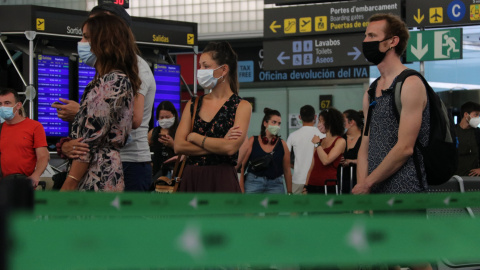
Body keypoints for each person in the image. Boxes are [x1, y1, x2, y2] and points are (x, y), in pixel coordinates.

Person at [352, 14, 432, 270]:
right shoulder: (371, 90)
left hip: (406, 190)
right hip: (375, 190)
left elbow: (405, 147)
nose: (366, 41)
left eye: (372, 36)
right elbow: (364, 146)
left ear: (392, 42)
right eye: (366, 36)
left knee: (413, 256)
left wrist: (367, 184)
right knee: (383, 258)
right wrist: (363, 188)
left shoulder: (410, 83)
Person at [53, 3, 156, 191]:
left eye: (87, 36)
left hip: (126, 163)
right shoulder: (103, 76)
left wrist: (69, 183)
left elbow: (132, 119)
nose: (82, 42)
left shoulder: (122, 75)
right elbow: (88, 136)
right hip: (97, 165)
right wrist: (67, 146)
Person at [174, 41, 251, 192]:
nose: (200, 70)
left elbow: (230, 148)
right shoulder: (193, 104)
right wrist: (220, 144)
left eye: (206, 66)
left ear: (223, 70)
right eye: (200, 66)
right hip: (191, 178)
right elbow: (178, 146)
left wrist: (195, 138)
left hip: (222, 180)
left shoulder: (242, 106)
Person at [0, 88, 50, 187]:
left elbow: (43, 156)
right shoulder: (1, 128)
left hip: (24, 184)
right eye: (0, 104)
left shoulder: (34, 126)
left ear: (18, 105)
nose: (3, 107)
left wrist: (36, 175)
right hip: (4, 185)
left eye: (7, 103)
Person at [240, 108, 293, 194]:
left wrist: (290, 192)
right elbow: (242, 167)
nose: (277, 126)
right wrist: (241, 189)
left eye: (279, 123)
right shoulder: (253, 141)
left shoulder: (282, 144)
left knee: (277, 207)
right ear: (265, 123)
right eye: (274, 122)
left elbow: (287, 170)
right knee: (249, 207)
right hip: (253, 182)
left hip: (276, 184)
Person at [304, 108, 345, 194]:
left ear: (329, 122)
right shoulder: (320, 140)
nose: (318, 125)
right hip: (312, 184)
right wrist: (306, 186)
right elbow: (312, 166)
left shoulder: (340, 141)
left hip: (328, 185)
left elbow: (326, 160)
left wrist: (317, 144)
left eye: (320, 121)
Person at [286, 105, 324, 194]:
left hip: (298, 179)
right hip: (316, 179)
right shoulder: (322, 135)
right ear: (315, 117)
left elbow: (286, 159)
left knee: (296, 207)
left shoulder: (293, 136)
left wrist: (296, 166)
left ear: (299, 117)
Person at [148, 101, 179, 179]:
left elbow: (187, 151)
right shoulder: (154, 132)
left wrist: (172, 145)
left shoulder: (180, 130)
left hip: (176, 172)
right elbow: (143, 148)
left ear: (174, 115)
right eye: (161, 117)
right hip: (157, 173)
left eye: (168, 117)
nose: (164, 120)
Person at [339, 109, 363, 194]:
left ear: (351, 122)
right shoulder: (340, 139)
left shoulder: (365, 138)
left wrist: (351, 161)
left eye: (343, 120)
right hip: (341, 180)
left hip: (359, 180)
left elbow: (370, 159)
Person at [454, 101, 480, 176]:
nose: (478, 118)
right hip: (455, 176)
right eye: (476, 114)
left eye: (479, 115)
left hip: (473, 178)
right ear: (466, 114)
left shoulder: (477, 133)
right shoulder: (452, 131)